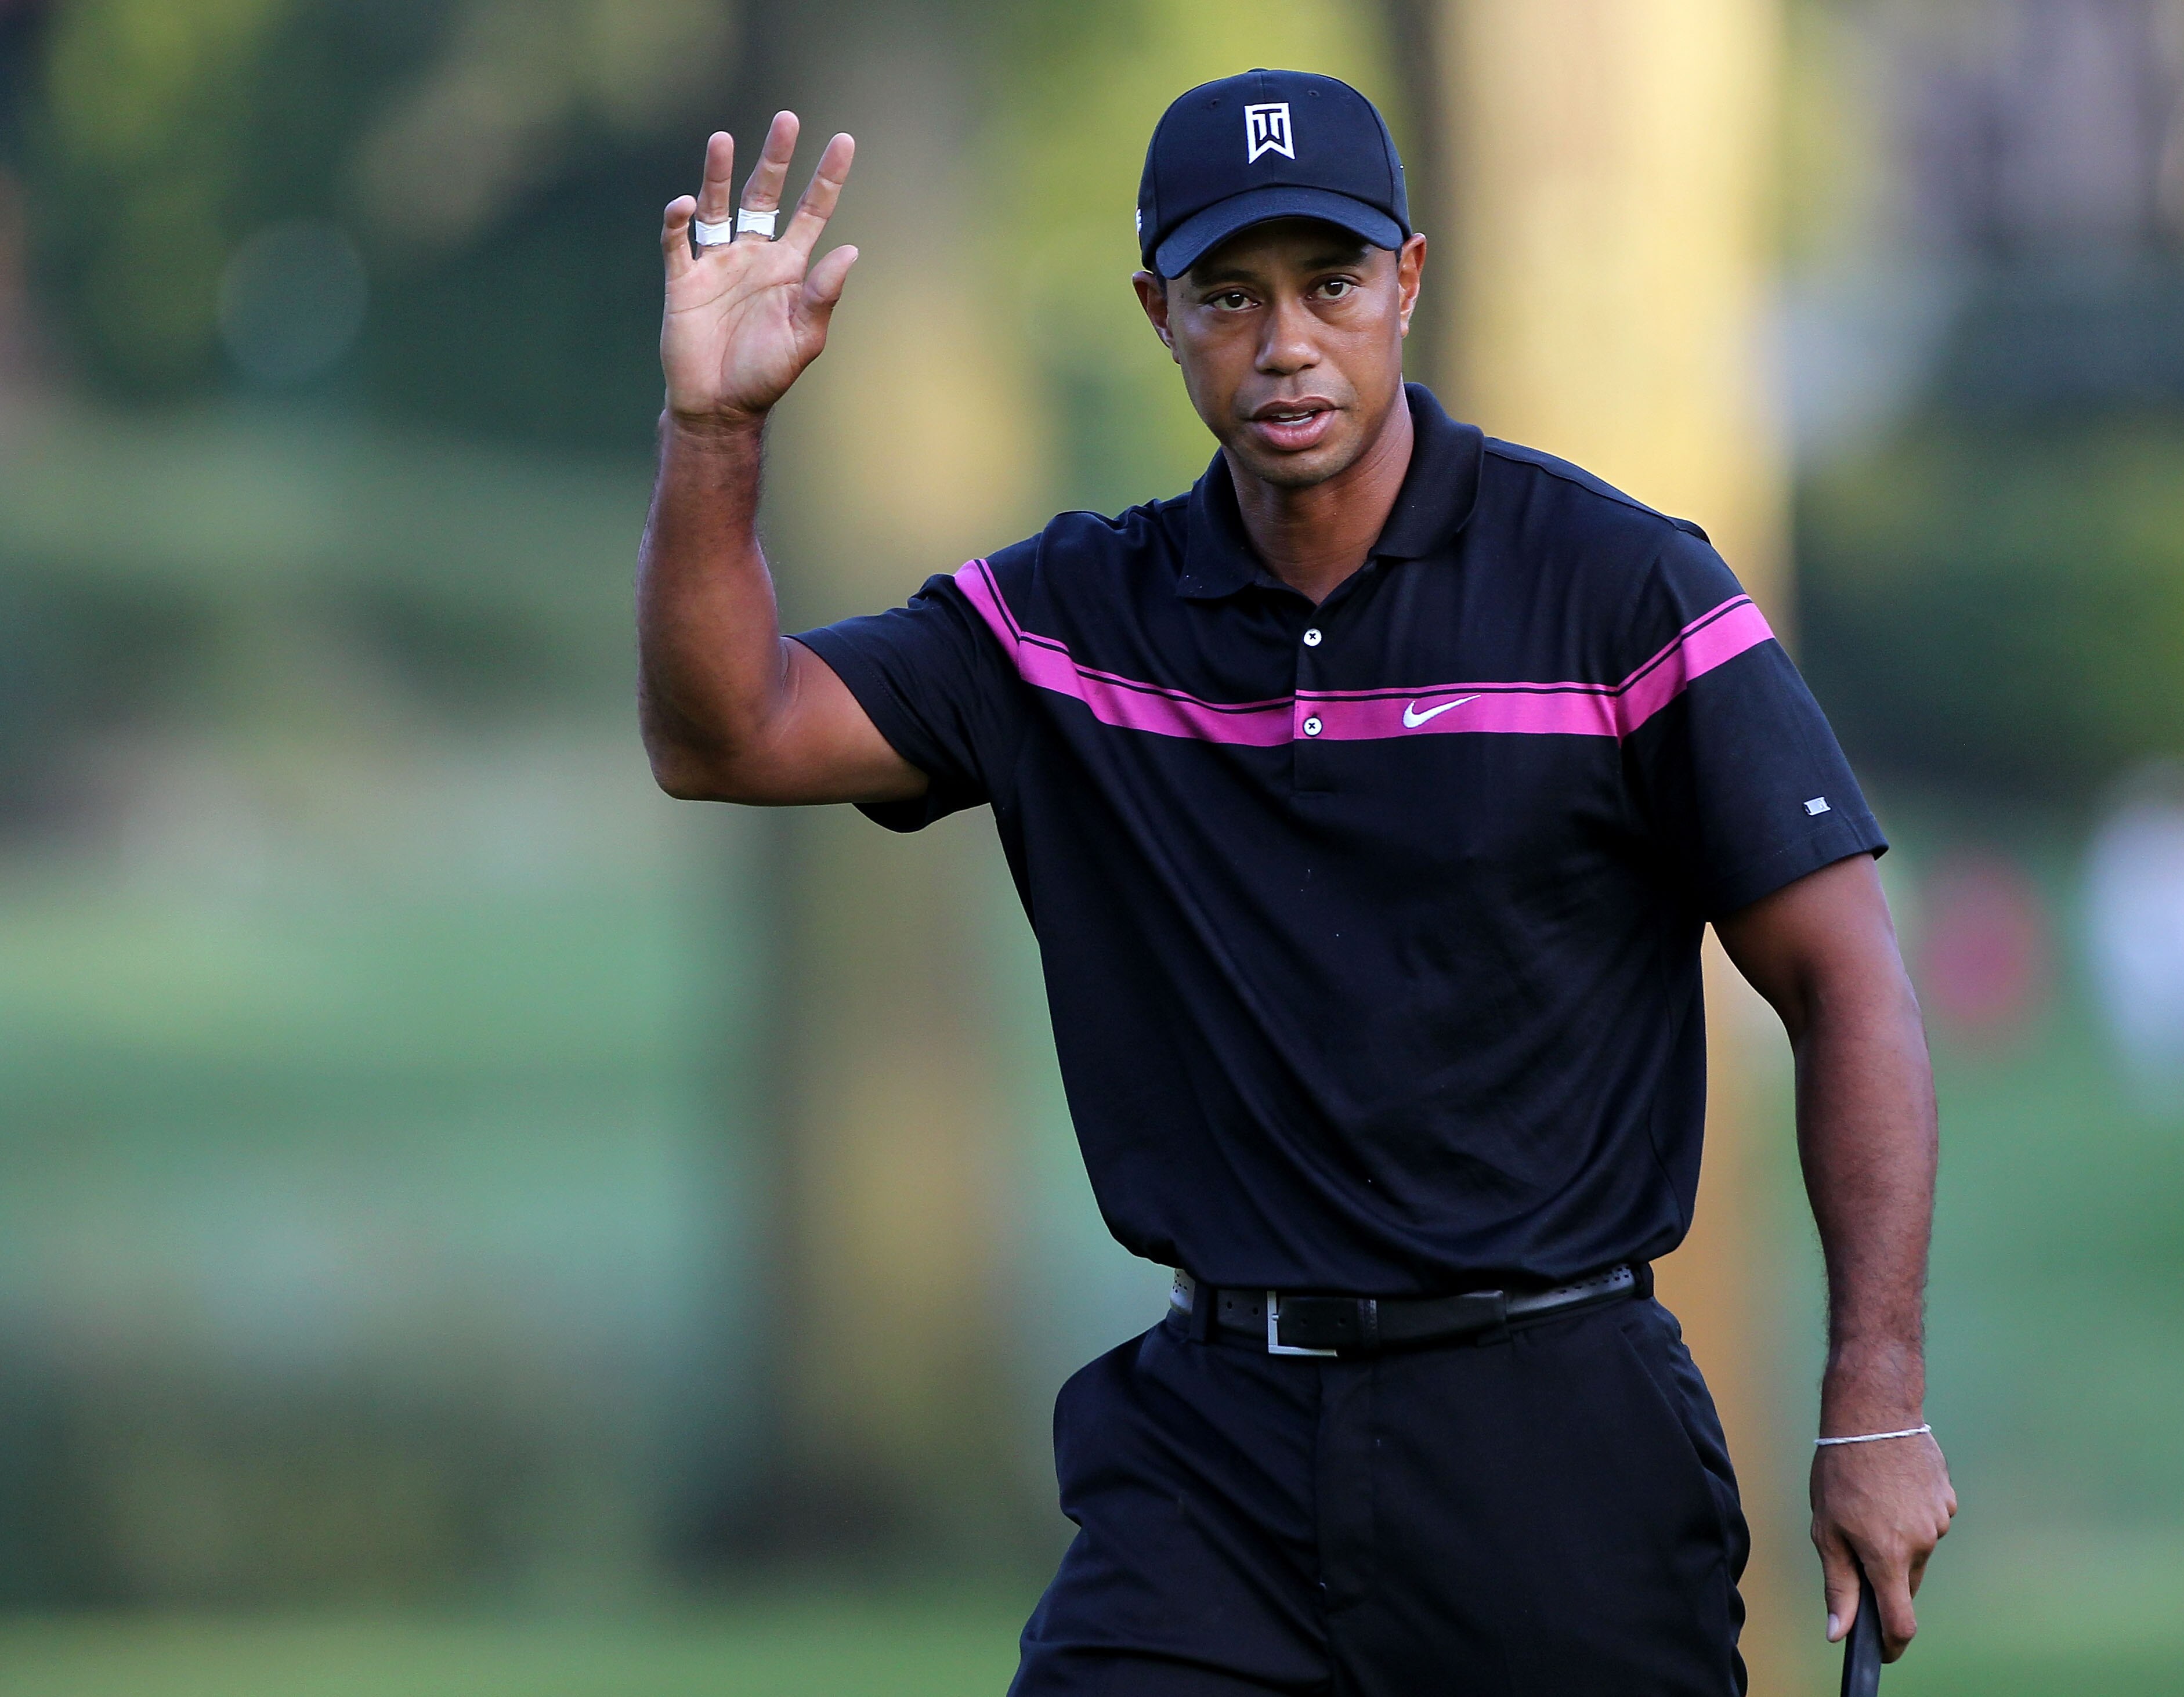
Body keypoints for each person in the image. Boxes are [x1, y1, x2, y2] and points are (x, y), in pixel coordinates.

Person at [639, 68, 1952, 1697]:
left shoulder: (1620, 590)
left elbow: (1847, 981)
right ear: (1155, 311)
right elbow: (730, 731)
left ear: (1406, 281)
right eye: (1227, 297)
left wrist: (1873, 1402)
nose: (1283, 346)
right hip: (1214, 1459)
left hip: (1553, 1441)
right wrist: (716, 432)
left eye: (1329, 287)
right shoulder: (1069, 623)